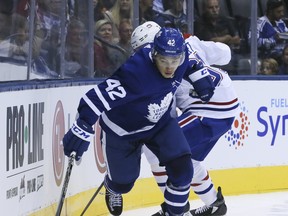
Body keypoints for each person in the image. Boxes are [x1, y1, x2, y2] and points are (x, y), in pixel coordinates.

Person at [62, 27, 216, 216]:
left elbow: (191, 62)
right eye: (163, 61)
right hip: (123, 131)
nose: (169, 67)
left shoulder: (182, 56)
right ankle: (112, 187)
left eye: (174, 61)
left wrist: (199, 76)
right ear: (154, 54)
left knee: (183, 171)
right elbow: (95, 98)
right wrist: (83, 126)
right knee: (123, 184)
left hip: (159, 123)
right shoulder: (136, 72)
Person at [130, 21, 239, 216]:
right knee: (191, 161)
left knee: (159, 148)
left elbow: (164, 113)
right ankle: (215, 204)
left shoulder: (160, 68)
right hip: (225, 107)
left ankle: (174, 209)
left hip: (208, 112)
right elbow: (225, 53)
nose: (139, 55)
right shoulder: (188, 43)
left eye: (141, 49)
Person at [194, 0, 241, 75]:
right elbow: (209, 41)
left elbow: (237, 39)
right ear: (204, 9)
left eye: (216, 7)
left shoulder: (226, 20)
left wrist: (223, 39)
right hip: (208, 56)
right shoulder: (199, 22)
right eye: (211, 7)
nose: (214, 10)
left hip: (227, 54)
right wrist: (226, 38)